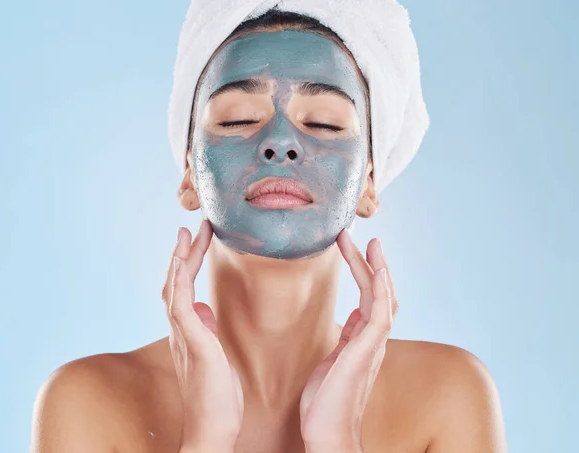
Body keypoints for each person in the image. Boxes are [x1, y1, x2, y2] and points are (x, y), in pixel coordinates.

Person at [30, 6, 507, 453]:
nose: (280, 141)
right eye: (238, 118)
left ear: (368, 183)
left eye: (323, 123)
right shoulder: (90, 401)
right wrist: (206, 437)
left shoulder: (447, 395)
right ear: (189, 174)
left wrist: (337, 439)